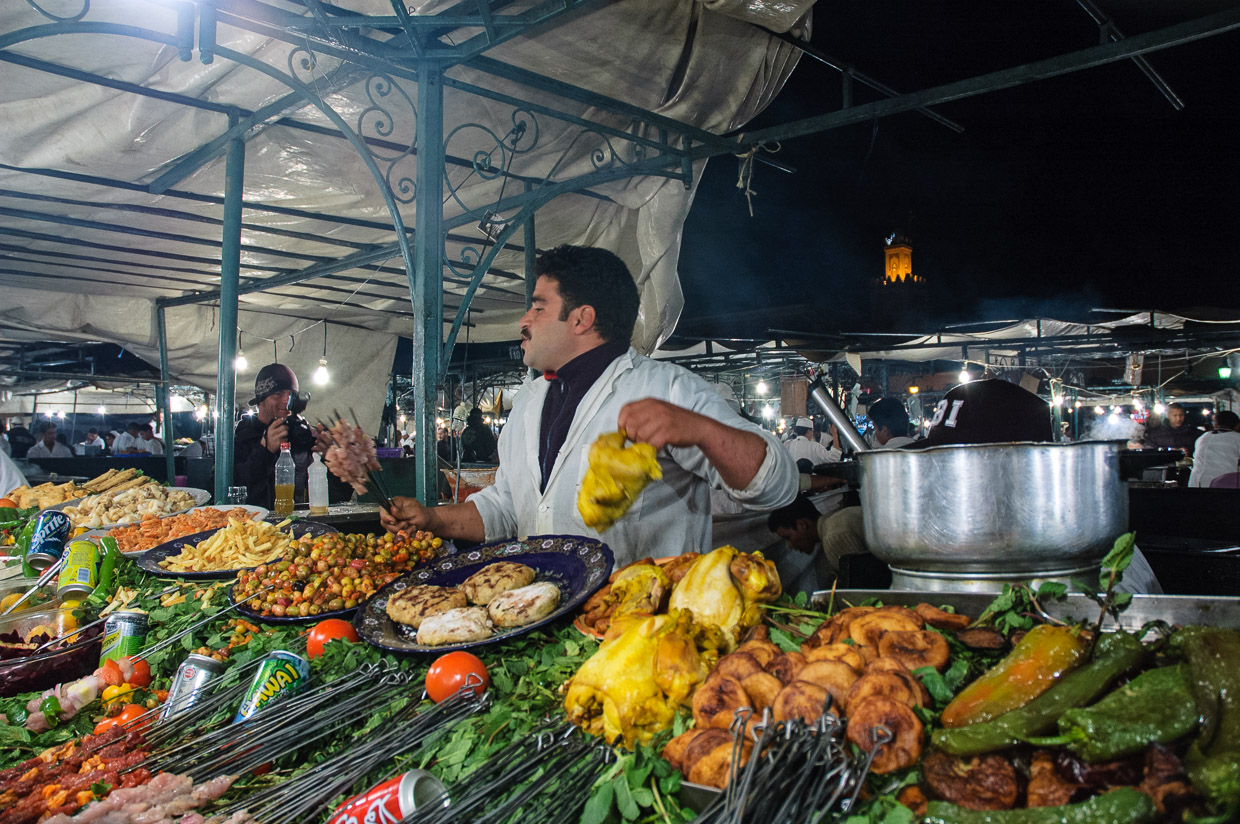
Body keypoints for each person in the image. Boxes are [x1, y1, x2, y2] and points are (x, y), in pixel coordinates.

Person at [382, 245, 799, 566]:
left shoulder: (665, 389)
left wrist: (700, 429)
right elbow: (509, 506)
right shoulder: (528, 402)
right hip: (547, 627)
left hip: (643, 633)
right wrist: (434, 520)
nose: (523, 321)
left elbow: (777, 485)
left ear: (581, 319)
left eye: (538, 306)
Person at [233, 364, 331, 508]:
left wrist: (331, 460)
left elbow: (335, 498)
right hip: (258, 527)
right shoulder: (241, 440)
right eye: (278, 393)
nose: (286, 401)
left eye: (291, 395)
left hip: (303, 525)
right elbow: (233, 494)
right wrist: (264, 451)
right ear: (261, 400)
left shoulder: (303, 436)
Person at [768, 493, 863, 588]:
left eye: (788, 537)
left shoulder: (833, 537)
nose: (789, 545)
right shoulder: (837, 519)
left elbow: (863, 586)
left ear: (802, 525)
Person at [1188, 410, 1240, 488]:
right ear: (1237, 425)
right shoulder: (1237, 438)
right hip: (1224, 486)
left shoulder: (1203, 437)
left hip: (1195, 486)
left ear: (1216, 424)